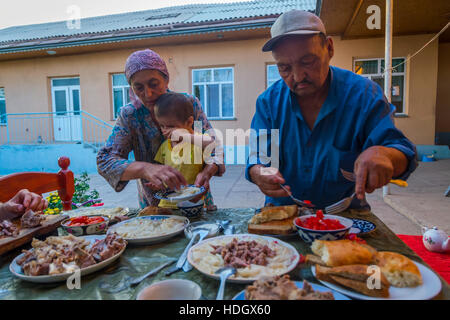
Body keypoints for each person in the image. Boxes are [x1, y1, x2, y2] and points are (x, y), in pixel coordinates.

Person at [246, 10, 417, 209]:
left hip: (345, 216)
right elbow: (261, 158)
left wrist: (386, 155)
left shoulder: (363, 95)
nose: (298, 76)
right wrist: (258, 173)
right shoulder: (269, 103)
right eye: (284, 68)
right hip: (284, 213)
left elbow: (402, 152)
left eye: (307, 62)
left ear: (329, 48)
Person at [97, 49, 225, 209]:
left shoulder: (188, 105)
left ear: (166, 80)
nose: (148, 94)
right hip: (155, 206)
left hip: (195, 199)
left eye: (153, 84)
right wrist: (145, 169)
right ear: (131, 88)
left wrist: (207, 173)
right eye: (139, 88)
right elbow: (106, 161)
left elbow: (213, 148)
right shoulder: (130, 116)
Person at [153, 92, 217, 211]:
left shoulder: (197, 140)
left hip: (192, 201)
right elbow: (161, 171)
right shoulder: (164, 146)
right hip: (168, 203)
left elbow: (212, 144)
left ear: (189, 122)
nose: (165, 131)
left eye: (171, 126)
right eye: (162, 126)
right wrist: (157, 183)